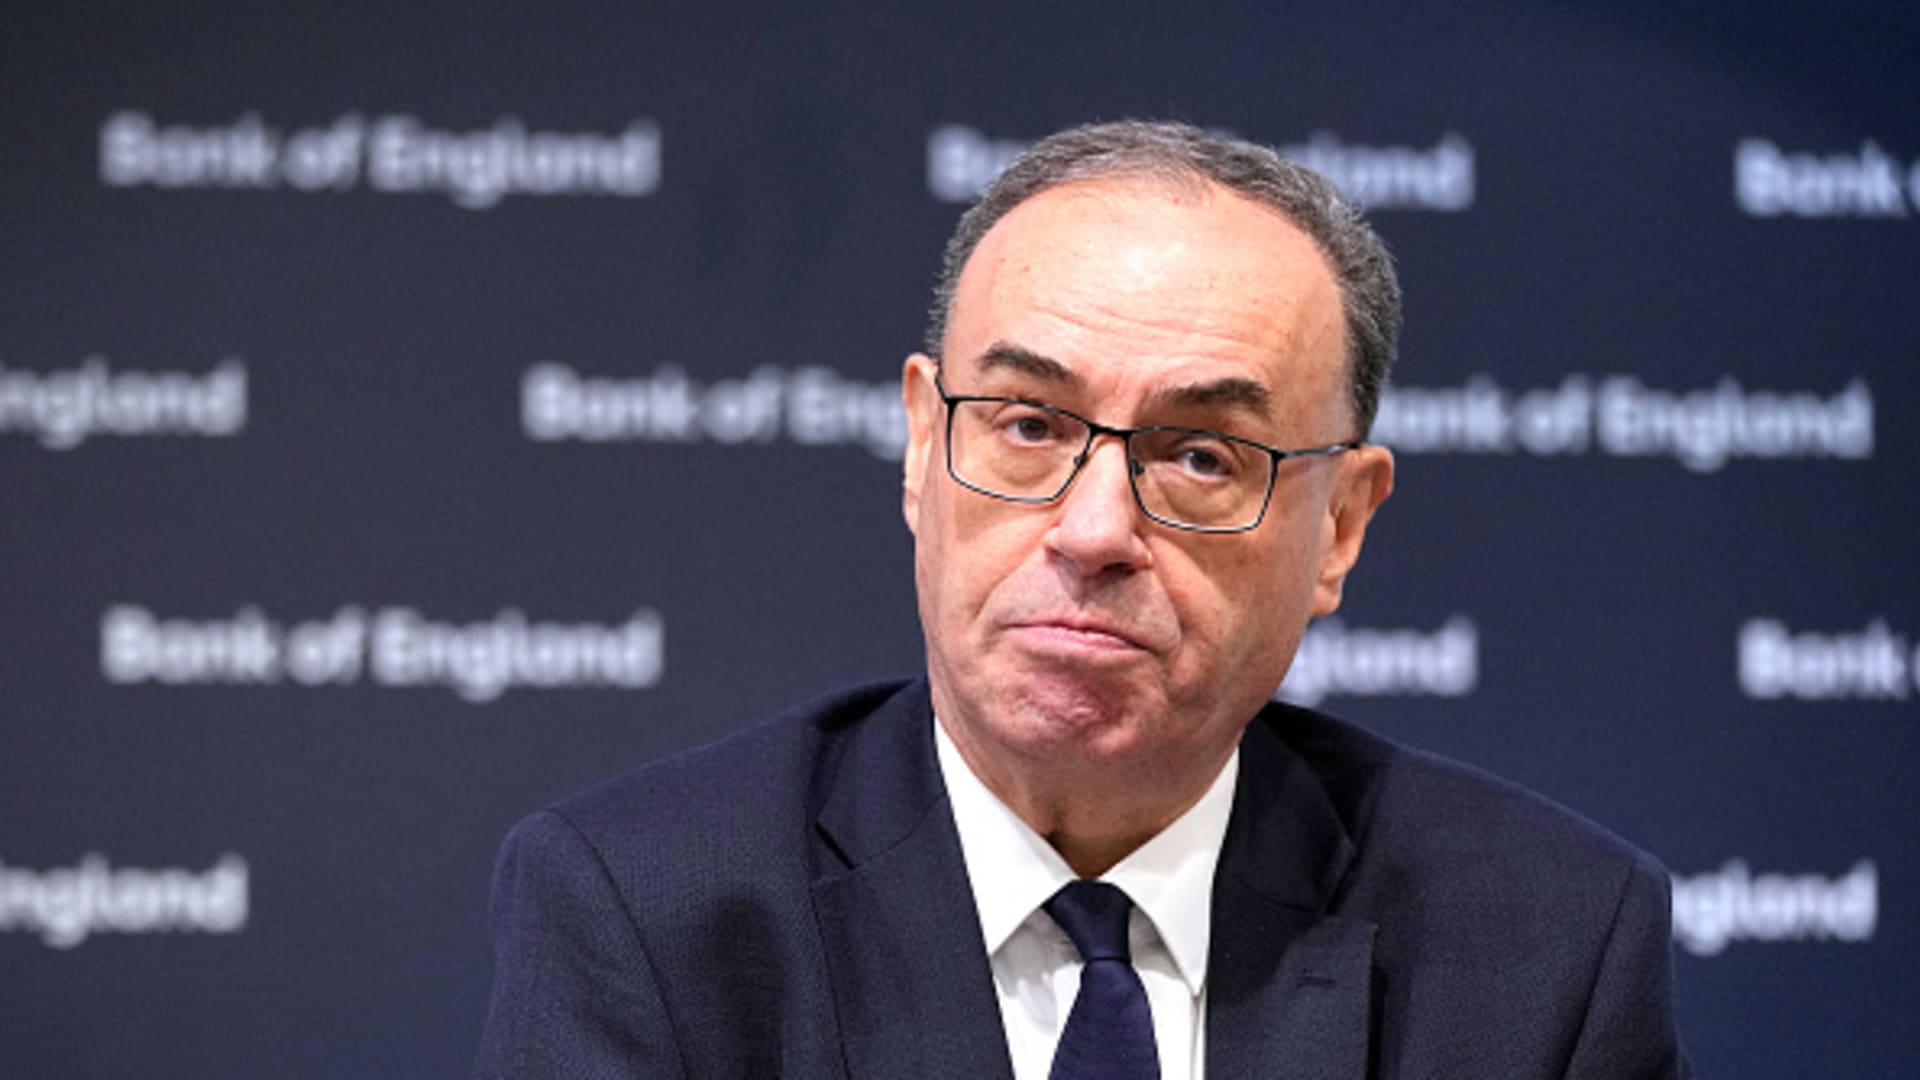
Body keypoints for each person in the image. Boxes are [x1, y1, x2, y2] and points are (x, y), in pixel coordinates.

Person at [473, 120, 1688, 1078]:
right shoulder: (647, 909)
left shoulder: (1544, 946)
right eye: (1028, 426)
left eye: (1203, 456)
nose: (1095, 529)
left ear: (1343, 527)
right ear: (918, 447)